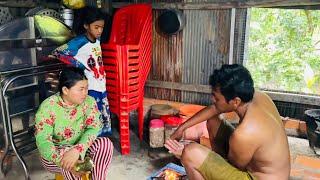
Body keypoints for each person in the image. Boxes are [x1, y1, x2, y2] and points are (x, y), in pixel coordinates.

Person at [164, 64, 290, 180]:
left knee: (190, 153)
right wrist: (182, 128)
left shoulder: (244, 134)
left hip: (256, 176)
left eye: (216, 97)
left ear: (235, 101)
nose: (212, 99)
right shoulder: (259, 96)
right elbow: (214, 109)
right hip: (256, 162)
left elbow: (234, 167)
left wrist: (185, 155)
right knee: (212, 121)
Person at [35, 67, 113, 180]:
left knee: (105, 144)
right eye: (81, 89)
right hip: (55, 156)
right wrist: (66, 158)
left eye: (86, 88)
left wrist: (78, 150)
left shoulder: (89, 102)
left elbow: (93, 128)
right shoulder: (48, 107)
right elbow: (43, 142)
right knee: (70, 162)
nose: (85, 93)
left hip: (80, 149)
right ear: (66, 90)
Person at [52, 6, 111, 136]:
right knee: (90, 114)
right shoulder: (79, 42)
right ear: (86, 25)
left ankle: (100, 141)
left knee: (100, 113)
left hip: (100, 83)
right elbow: (58, 52)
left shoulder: (97, 40)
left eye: (101, 27)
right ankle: (90, 141)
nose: (100, 30)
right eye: (96, 27)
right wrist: (79, 65)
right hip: (89, 86)